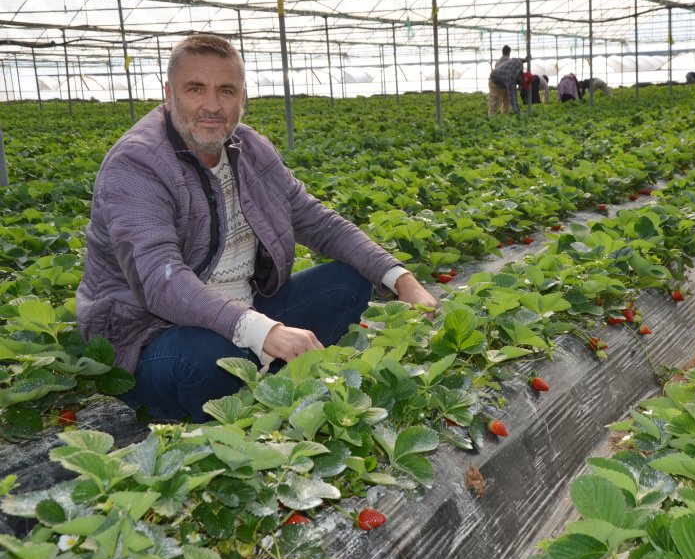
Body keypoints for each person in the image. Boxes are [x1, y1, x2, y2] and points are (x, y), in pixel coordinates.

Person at [76, 34, 437, 423]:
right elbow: (160, 282)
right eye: (195, 89)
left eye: (226, 91)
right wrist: (263, 331)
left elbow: (319, 223)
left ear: (242, 98)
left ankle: (264, 382)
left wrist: (402, 280)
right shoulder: (137, 164)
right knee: (207, 357)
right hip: (154, 335)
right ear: (169, 94)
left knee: (348, 282)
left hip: (246, 314)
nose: (212, 106)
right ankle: (235, 395)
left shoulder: (250, 150)